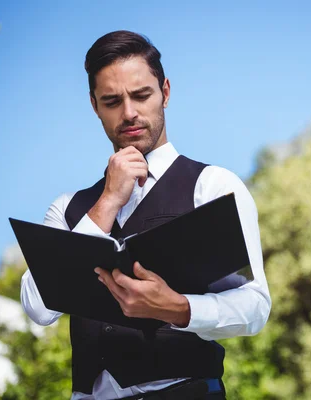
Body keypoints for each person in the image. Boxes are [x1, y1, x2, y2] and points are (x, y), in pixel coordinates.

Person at [20, 30, 271, 400]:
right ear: (94, 105)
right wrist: (106, 203)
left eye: (141, 95)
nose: (129, 113)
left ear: (165, 92)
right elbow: (38, 309)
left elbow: (255, 307)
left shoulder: (213, 186)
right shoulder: (68, 208)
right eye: (111, 101)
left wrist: (179, 308)